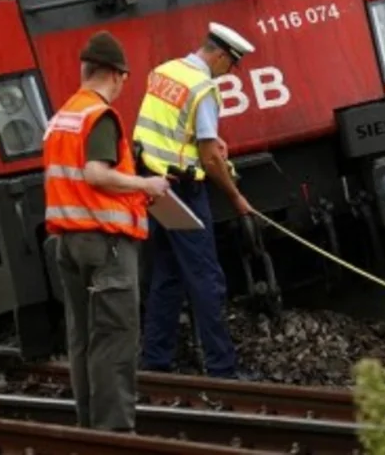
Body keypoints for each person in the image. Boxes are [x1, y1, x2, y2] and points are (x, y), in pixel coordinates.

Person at [42, 31, 170, 432]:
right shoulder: (99, 116)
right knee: (114, 339)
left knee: (82, 341)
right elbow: (95, 174)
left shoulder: (62, 118)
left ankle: (90, 428)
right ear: (115, 74)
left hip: (68, 243)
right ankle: (115, 434)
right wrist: (146, 185)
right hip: (106, 244)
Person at [134, 22, 254, 379]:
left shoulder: (165, 71)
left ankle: (155, 362)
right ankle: (223, 371)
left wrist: (208, 140)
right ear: (220, 56)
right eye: (231, 65)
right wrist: (236, 197)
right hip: (184, 191)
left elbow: (169, 128)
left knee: (168, 274)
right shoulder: (204, 89)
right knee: (206, 279)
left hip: (154, 185)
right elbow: (211, 159)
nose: (229, 73)